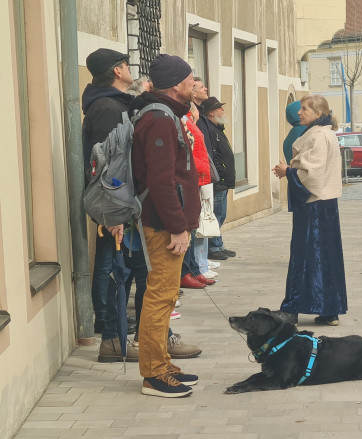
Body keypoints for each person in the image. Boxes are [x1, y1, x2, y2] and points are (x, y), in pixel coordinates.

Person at [131, 53, 200, 397]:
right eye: (189, 79)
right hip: (161, 225)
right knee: (159, 296)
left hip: (165, 222)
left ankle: (162, 363)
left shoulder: (165, 114)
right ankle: (153, 374)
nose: (194, 83)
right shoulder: (159, 119)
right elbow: (161, 181)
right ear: (175, 85)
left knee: (167, 295)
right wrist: (177, 226)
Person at [81, 48, 138, 363]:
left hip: (119, 199)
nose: (129, 68)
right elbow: (107, 163)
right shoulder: (106, 107)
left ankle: (111, 321)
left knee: (115, 262)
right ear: (117, 70)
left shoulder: (114, 103)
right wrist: (115, 208)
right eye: (126, 64)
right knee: (110, 262)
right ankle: (106, 324)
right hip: (112, 201)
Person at [272, 95, 347, 326]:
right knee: (327, 257)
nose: (299, 112)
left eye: (304, 109)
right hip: (326, 205)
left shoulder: (318, 136)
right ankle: (329, 310)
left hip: (314, 205)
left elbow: (312, 175)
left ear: (318, 113)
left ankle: (293, 309)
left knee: (305, 257)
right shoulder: (326, 133)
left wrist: (288, 171)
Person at [180, 102, 215, 289]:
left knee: (193, 229)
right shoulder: (184, 121)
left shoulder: (190, 122)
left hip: (198, 179)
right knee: (190, 230)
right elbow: (188, 152)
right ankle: (187, 271)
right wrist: (202, 168)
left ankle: (193, 269)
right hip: (194, 178)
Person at [202, 97, 236, 260]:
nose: (222, 110)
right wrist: (220, 174)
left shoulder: (218, 128)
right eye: (219, 108)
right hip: (219, 181)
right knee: (216, 215)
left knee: (221, 215)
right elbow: (213, 155)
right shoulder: (210, 130)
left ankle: (218, 245)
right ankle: (213, 247)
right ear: (211, 112)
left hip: (223, 181)